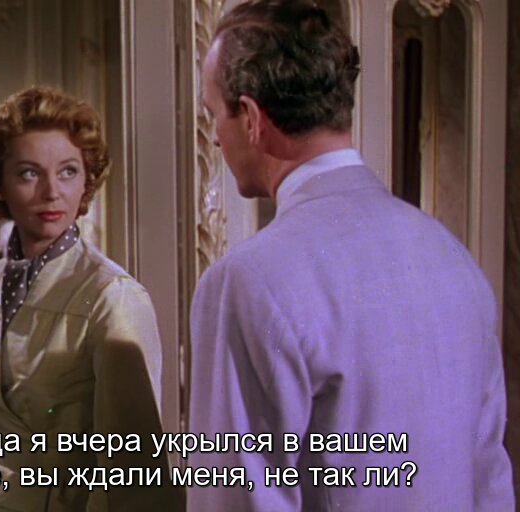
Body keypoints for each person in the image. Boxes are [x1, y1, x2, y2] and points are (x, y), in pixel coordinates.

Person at [188, 1, 515, 510]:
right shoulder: (454, 260)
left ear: (250, 118)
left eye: (214, 114)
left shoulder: (248, 282)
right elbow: (490, 482)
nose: (213, 136)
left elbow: (236, 497)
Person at [0, 86, 181, 511]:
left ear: (86, 180)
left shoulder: (112, 297)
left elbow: (136, 474)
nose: (52, 192)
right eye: (29, 173)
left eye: (68, 171)